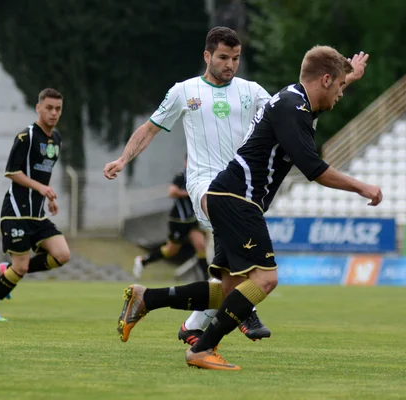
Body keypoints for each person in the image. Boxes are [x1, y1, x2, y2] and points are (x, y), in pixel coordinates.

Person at [114, 45, 382, 370]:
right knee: (266, 279)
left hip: (228, 196)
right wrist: (362, 186)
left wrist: (349, 76)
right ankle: (202, 347)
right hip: (237, 199)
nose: (341, 93)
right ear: (325, 79)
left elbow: (320, 100)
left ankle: (147, 299)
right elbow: (313, 167)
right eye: (339, 86)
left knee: (230, 289)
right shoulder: (291, 108)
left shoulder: (295, 102)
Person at [104, 27, 273, 344]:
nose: (230, 64)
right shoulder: (185, 91)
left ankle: (167, 311)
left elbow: (286, 111)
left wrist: (339, 79)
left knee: (226, 285)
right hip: (205, 186)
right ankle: (244, 313)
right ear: (208, 56)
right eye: (223, 57)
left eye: (235, 58)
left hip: (240, 186)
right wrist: (123, 159)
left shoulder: (252, 91)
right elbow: (150, 128)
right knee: (250, 270)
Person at [0, 88, 71, 321]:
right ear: (38, 107)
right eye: (49, 108)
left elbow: (42, 175)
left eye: (58, 109)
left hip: (37, 214)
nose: (54, 113)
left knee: (62, 254)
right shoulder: (25, 137)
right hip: (16, 212)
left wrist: (48, 198)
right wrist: (39, 188)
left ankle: (7, 267)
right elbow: (11, 172)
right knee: (21, 267)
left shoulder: (56, 140)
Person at [133, 157, 210, 281]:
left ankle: (207, 279)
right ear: (186, 162)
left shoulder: (200, 177)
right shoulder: (181, 176)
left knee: (200, 246)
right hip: (179, 220)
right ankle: (143, 261)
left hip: (191, 220)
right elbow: (172, 192)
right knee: (171, 250)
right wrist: (189, 193)